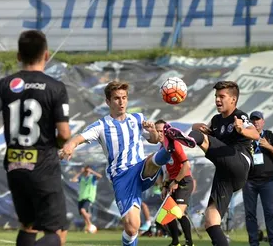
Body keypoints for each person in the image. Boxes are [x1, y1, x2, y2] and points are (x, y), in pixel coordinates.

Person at [59, 80, 196, 246]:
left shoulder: (137, 119)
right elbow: (79, 138)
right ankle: (168, 146)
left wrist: (153, 131)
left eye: (124, 97)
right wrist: (69, 145)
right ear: (108, 102)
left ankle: (170, 143)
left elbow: (153, 139)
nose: (121, 101)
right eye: (117, 98)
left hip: (140, 168)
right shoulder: (102, 125)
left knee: (153, 160)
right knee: (132, 228)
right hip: (121, 177)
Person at [0, 30, 71, 246]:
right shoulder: (55, 87)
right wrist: (54, 145)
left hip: (15, 164)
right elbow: (64, 134)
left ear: (18, 56)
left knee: (28, 225)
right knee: (57, 232)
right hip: (44, 165)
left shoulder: (5, 84)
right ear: (46, 55)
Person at [166, 81, 259, 246]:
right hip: (226, 174)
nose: (217, 100)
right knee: (210, 221)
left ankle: (189, 139)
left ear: (233, 99)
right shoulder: (216, 120)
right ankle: (189, 138)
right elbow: (206, 130)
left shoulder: (239, 116)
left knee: (199, 136)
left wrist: (241, 130)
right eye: (216, 96)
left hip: (239, 162)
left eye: (222, 96)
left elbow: (255, 134)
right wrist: (197, 127)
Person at [243, 111, 273, 246]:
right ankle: (253, 243)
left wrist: (268, 146)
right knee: (250, 214)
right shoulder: (244, 137)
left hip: (267, 181)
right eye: (253, 120)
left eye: (258, 119)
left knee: (270, 212)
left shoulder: (269, 136)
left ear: (263, 121)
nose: (255, 122)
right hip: (249, 181)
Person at [155, 119, 195, 246]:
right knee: (168, 212)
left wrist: (176, 182)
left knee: (177, 212)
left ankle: (189, 243)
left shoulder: (175, 144)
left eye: (162, 131)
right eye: (157, 131)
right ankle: (175, 242)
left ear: (167, 132)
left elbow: (186, 166)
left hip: (184, 180)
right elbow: (168, 172)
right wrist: (165, 186)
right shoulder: (162, 148)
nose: (159, 133)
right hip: (173, 181)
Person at [70, 165, 102, 232]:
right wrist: (80, 172)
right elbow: (73, 180)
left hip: (89, 198)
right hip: (81, 198)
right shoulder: (81, 178)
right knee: (84, 215)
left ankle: (90, 225)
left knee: (83, 210)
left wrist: (92, 171)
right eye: (86, 171)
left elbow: (100, 176)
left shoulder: (92, 178)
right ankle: (88, 227)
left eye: (88, 171)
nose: (87, 172)